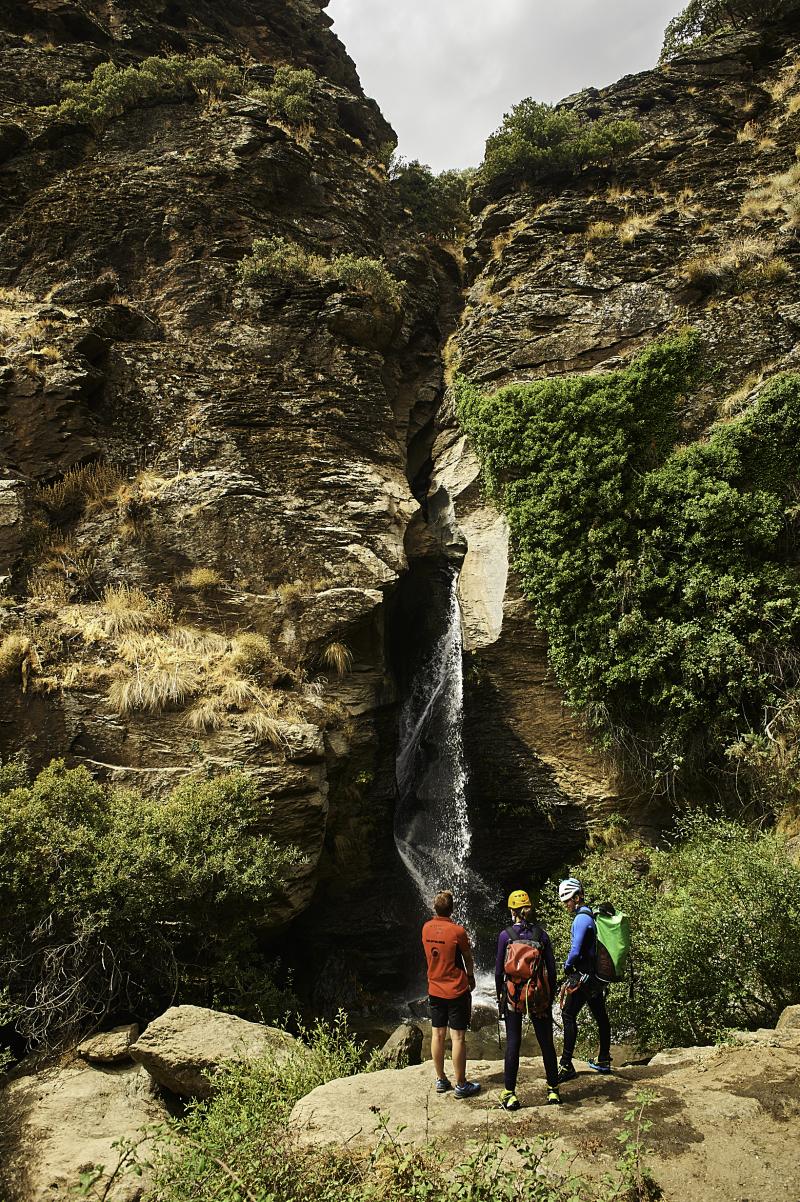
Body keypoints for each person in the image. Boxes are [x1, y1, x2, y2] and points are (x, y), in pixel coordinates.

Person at [495, 889, 560, 1109]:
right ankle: (553, 1090)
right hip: (537, 993)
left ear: (512, 911)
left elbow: (498, 972)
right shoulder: (541, 935)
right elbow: (551, 970)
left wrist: (500, 996)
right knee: (546, 1043)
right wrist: (550, 995)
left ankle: (509, 1094)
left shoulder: (505, 936)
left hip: (514, 995)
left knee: (513, 1042)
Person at [421, 889, 481, 1099]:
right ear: (452, 909)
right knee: (458, 1037)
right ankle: (461, 1084)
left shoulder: (426, 928)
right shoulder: (458, 931)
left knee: (437, 1034)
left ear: (434, 908)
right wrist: (471, 977)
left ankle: (440, 1079)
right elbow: (467, 957)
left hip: (434, 988)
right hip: (456, 990)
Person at [557, 877, 612, 1082]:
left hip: (584, 977)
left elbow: (576, 949)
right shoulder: (590, 915)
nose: (566, 905)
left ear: (577, 897)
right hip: (595, 977)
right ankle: (604, 1059)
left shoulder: (581, 918)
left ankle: (566, 1065)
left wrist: (566, 966)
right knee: (600, 1016)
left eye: (568, 900)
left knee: (568, 1015)